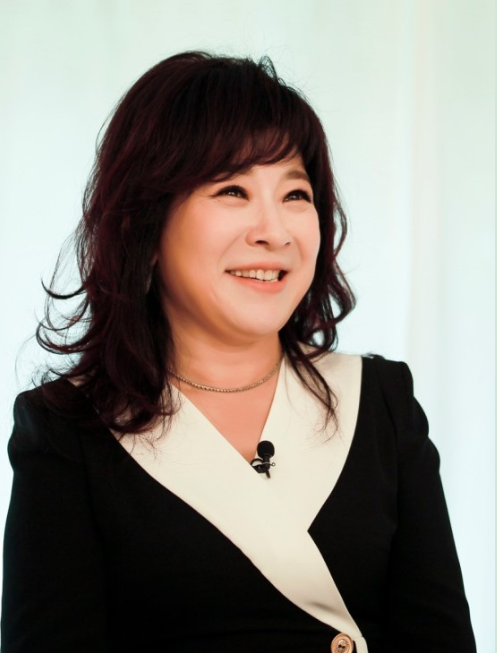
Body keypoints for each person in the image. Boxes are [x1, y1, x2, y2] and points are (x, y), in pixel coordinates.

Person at [1, 51, 476, 653]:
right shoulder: (69, 428)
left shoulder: (380, 401)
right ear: (144, 226)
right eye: (232, 189)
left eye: (296, 194)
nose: (274, 232)